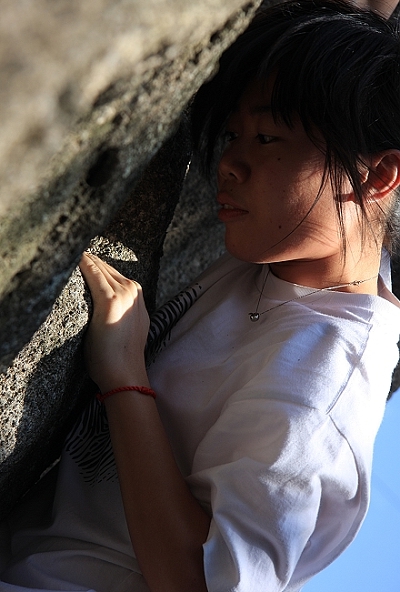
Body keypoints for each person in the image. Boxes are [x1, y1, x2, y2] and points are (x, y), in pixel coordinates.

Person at [2, 1, 400, 590]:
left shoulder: (323, 381)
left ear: (377, 175)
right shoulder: (286, 259)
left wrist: (125, 377)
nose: (230, 164)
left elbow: (202, 582)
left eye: (266, 137)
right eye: (233, 134)